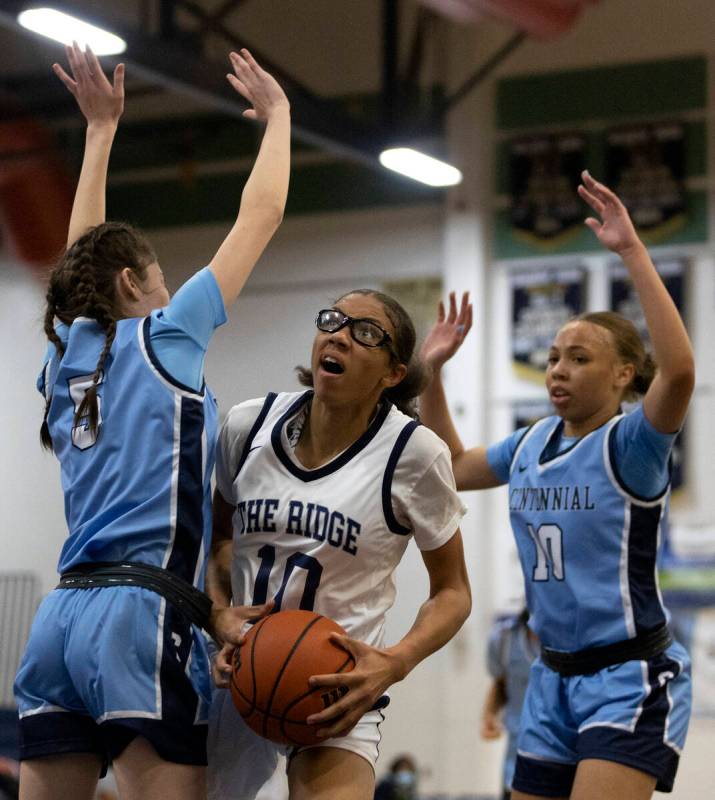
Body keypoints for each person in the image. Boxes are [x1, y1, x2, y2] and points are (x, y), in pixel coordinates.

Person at [13, 43, 290, 800]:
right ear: (135, 283)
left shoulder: (62, 354)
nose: (173, 291)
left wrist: (100, 134)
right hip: (141, 612)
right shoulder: (166, 334)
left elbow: (78, 263)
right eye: (162, 279)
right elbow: (260, 212)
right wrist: (279, 119)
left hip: (59, 619)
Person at [419, 171, 694, 800]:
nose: (558, 371)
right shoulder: (533, 443)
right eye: (552, 357)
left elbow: (678, 371)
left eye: (578, 358)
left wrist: (632, 252)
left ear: (624, 372)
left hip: (627, 672)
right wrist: (431, 374)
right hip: (550, 676)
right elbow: (453, 466)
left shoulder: (632, 445)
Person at [207, 291, 472, 800]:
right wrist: (220, 616)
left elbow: (453, 593)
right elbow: (219, 538)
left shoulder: (414, 454)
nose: (340, 336)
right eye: (333, 321)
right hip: (238, 672)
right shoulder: (248, 425)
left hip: (338, 684)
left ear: (393, 374)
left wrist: (394, 662)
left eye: (365, 333)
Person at [481, 610, 539, 800]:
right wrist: (489, 715)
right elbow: (501, 683)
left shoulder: (574, 633)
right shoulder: (506, 638)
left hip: (564, 755)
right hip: (517, 760)